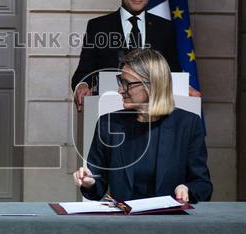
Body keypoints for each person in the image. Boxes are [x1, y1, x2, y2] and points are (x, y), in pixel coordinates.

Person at [73, 48, 212, 204]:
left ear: (152, 85)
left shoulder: (187, 124)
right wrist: (89, 182)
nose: (120, 90)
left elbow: (203, 186)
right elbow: (97, 188)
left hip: (171, 223)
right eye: (120, 81)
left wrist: (187, 189)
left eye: (127, 84)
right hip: (124, 223)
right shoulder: (108, 124)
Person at [71, 0, 185, 111]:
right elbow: (84, 71)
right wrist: (82, 85)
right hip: (111, 113)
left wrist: (184, 90)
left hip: (153, 115)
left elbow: (173, 71)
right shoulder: (98, 27)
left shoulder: (165, 28)